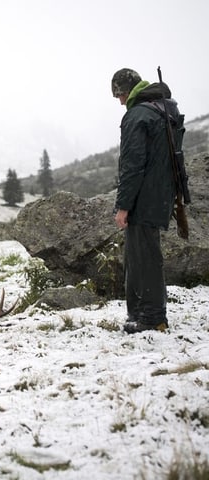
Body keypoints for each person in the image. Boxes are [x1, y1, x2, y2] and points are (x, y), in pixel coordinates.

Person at [111, 68, 181, 334]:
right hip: (162, 193)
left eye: (119, 94)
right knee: (140, 254)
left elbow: (132, 165)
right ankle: (140, 313)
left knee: (145, 257)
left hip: (144, 196)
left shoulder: (137, 114)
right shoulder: (165, 108)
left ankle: (152, 317)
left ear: (126, 90)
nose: (119, 101)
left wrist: (123, 206)